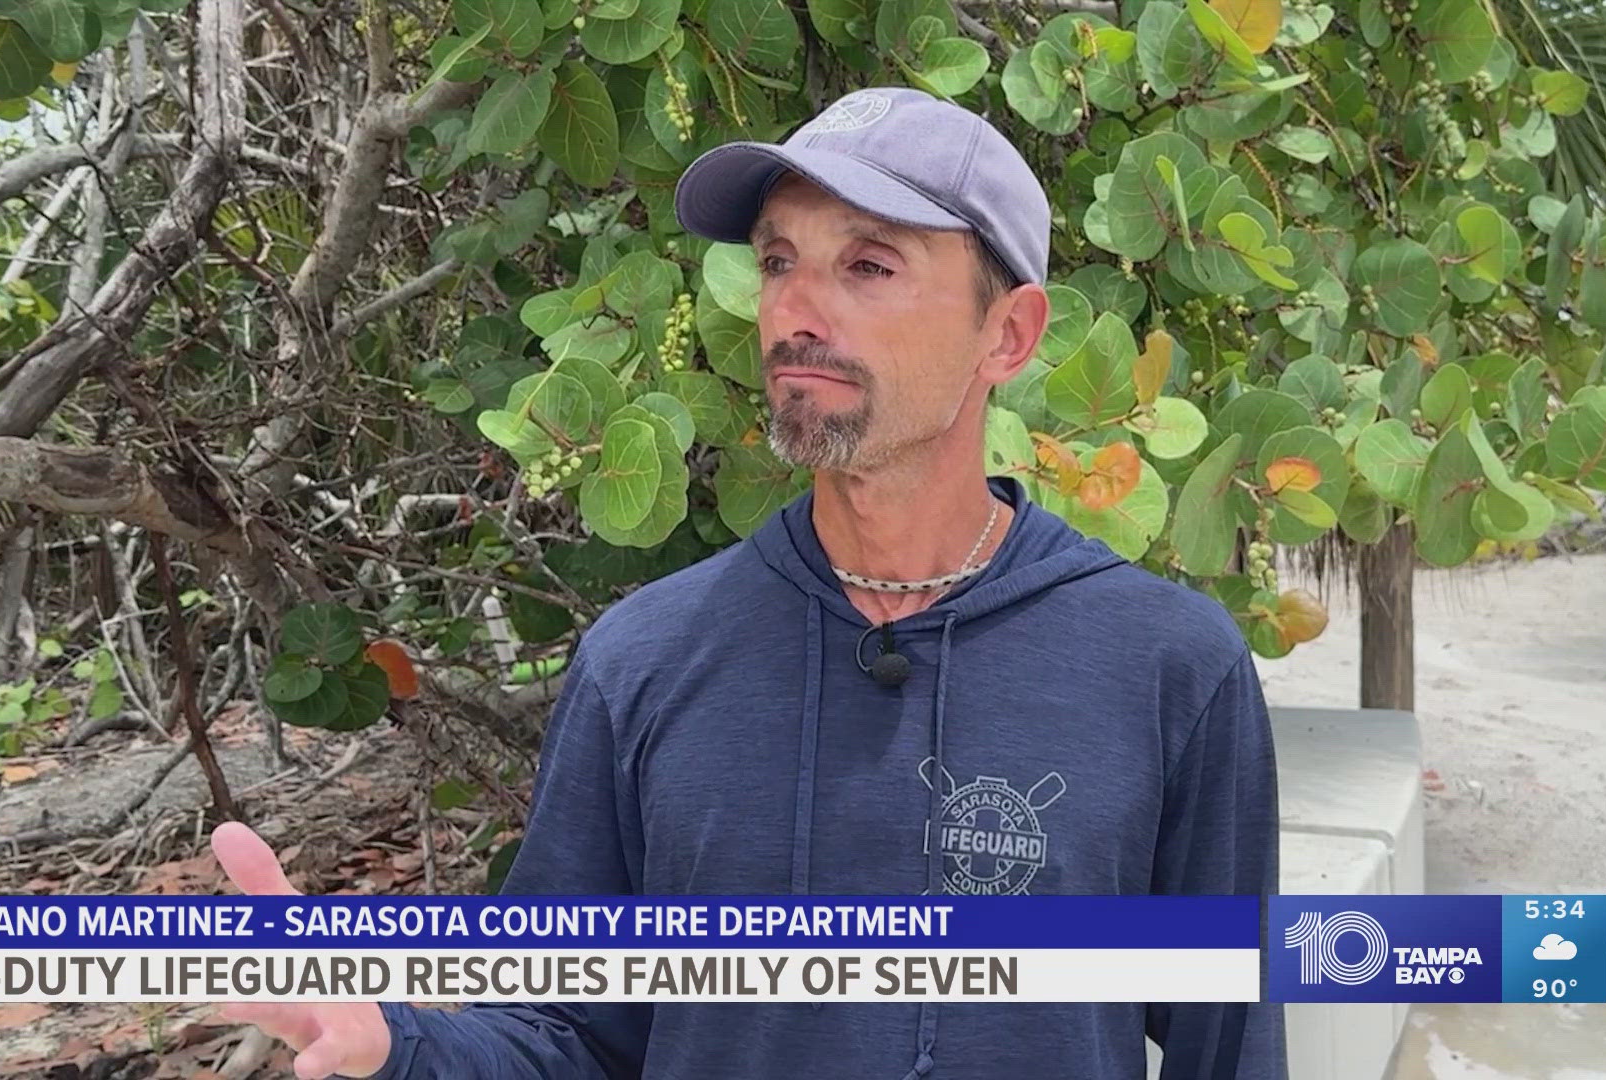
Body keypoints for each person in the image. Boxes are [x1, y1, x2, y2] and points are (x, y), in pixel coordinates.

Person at [211, 85, 1287, 1079]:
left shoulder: (1168, 671)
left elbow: (1229, 1045)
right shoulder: (644, 662)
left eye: (868, 266)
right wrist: (394, 1045)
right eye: (779, 263)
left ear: (1006, 335)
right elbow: (564, 1031)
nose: (796, 313)